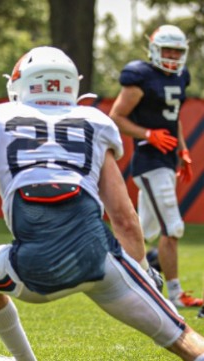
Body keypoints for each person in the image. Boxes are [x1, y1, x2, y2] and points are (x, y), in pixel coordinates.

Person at [0, 46, 204, 361]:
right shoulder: (93, 121)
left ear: (20, 83)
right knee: (183, 338)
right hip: (99, 261)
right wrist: (139, 271)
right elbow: (124, 217)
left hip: (35, 268)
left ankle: (25, 360)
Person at [109, 25, 201, 308]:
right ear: (153, 50)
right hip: (149, 161)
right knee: (172, 227)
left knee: (144, 231)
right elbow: (116, 117)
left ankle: (108, 270)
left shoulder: (181, 76)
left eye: (177, 50)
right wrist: (148, 134)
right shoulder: (140, 77)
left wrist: (182, 149)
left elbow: (173, 120)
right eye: (167, 50)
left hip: (166, 159)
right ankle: (175, 294)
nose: (172, 56)